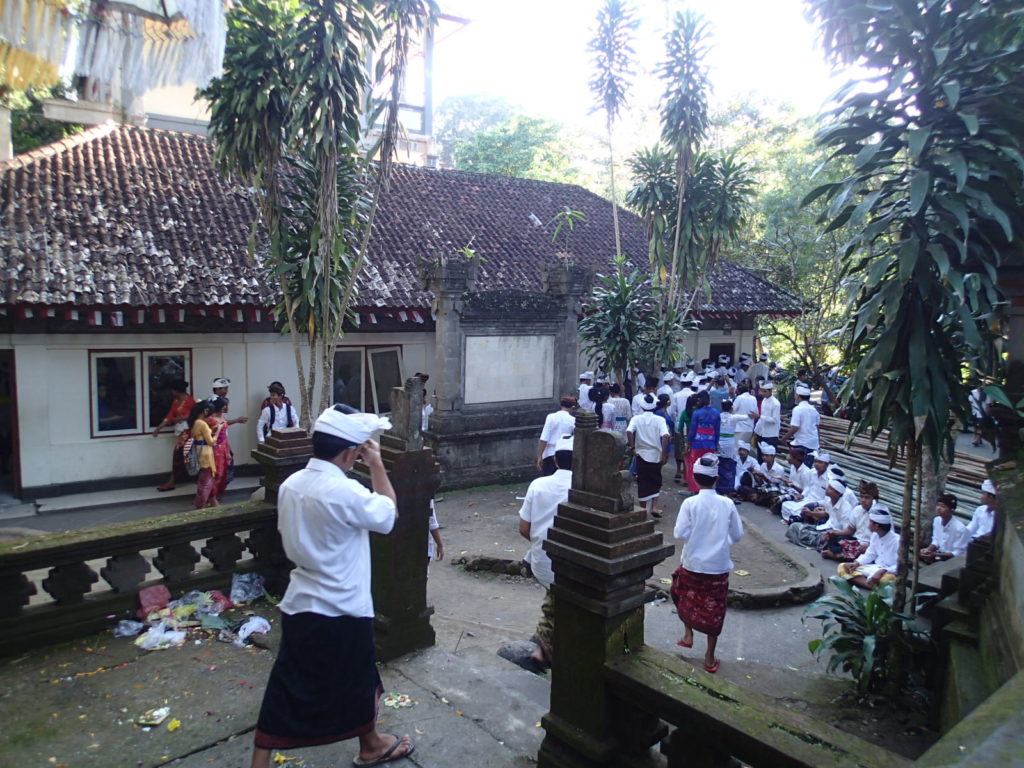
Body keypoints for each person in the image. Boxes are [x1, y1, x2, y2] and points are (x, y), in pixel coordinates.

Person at [251, 406, 412, 768]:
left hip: (301, 600)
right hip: (342, 604)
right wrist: (377, 465)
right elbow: (388, 514)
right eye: (356, 452)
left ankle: (261, 760)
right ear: (347, 453)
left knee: (287, 685)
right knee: (356, 681)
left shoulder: (292, 485)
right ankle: (370, 744)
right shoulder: (345, 491)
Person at [671, 454, 744, 674]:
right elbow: (737, 535)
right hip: (717, 566)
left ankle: (688, 633)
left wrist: (698, 537)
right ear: (716, 478)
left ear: (693, 477)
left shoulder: (690, 503)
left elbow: (679, 533)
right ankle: (709, 657)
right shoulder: (727, 503)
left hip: (693, 563)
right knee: (715, 611)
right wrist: (720, 542)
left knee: (679, 593)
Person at [518, 433, 574, 670]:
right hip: (572, 564)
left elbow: (524, 529)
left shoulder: (538, 485)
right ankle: (546, 648)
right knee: (559, 603)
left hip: (541, 559)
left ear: (557, 461)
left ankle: (545, 645)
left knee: (555, 600)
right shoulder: (584, 490)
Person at [627, 394, 670, 519]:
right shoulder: (659, 420)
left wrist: (632, 447)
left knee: (643, 481)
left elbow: (629, 431)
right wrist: (663, 453)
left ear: (641, 406)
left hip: (641, 454)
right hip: (656, 455)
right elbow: (665, 436)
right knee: (656, 481)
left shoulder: (636, 418)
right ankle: (655, 507)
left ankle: (642, 508)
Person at [838, 508, 900, 589]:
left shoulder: (898, 541)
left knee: (886, 580)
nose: (868, 524)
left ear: (876, 526)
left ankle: (862, 581)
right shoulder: (875, 535)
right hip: (875, 567)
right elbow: (870, 554)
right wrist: (857, 563)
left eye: (870, 522)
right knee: (843, 567)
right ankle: (870, 585)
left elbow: (900, 566)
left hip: (888, 572)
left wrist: (883, 571)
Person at [153, 379, 196, 492]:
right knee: (183, 457)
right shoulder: (176, 401)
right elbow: (170, 416)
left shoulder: (191, 401)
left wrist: (182, 418)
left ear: (175, 391)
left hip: (188, 432)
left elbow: (195, 416)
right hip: (181, 432)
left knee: (179, 457)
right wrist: (159, 428)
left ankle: (172, 482)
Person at [785, 478, 851, 549]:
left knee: (804, 533)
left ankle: (819, 543)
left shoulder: (846, 508)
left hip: (833, 534)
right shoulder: (829, 500)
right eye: (828, 487)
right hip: (823, 528)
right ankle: (818, 542)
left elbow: (847, 531)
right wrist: (811, 513)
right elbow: (827, 514)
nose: (827, 489)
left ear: (838, 493)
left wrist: (834, 533)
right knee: (794, 526)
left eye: (830, 488)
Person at [821, 480, 878, 562]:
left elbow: (883, 538)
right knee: (833, 538)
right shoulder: (858, 509)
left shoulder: (880, 514)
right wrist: (836, 533)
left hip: (869, 545)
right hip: (855, 541)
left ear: (874, 499)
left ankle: (836, 555)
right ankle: (840, 554)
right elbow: (850, 530)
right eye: (861, 497)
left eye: (867, 498)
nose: (863, 500)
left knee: (861, 551)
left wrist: (869, 545)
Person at [190, 398, 224, 509]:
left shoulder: (196, 423)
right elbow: (211, 441)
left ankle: (199, 502)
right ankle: (200, 504)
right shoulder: (203, 424)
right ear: (205, 411)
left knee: (203, 480)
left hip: (200, 451)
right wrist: (218, 429)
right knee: (206, 482)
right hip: (206, 453)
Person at [780, 451, 832, 522]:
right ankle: (794, 518)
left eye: (820, 462)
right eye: (815, 461)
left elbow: (828, 499)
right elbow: (808, 486)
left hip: (818, 503)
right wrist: (802, 495)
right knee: (786, 504)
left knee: (803, 509)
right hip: (807, 499)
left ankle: (795, 519)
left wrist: (817, 503)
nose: (816, 464)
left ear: (827, 464)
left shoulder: (829, 479)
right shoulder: (812, 472)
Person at [919, 494, 970, 564]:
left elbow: (957, 553)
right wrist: (927, 550)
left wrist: (935, 555)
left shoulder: (960, 528)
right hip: (939, 555)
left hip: (953, 561)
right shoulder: (937, 520)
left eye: (943, 506)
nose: (938, 508)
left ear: (951, 510)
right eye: (938, 505)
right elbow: (936, 540)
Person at [686, 391, 720, 493]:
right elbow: (717, 431)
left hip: (698, 443)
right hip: (711, 442)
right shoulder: (716, 413)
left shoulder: (697, 413)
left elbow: (693, 430)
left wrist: (689, 442)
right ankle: (708, 487)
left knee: (695, 464)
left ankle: (695, 488)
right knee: (709, 465)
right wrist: (716, 442)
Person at [537, 397, 576, 475]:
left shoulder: (551, 417)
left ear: (561, 406)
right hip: (564, 453)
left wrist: (540, 456)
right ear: (572, 407)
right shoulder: (573, 420)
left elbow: (544, 438)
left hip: (548, 453)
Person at [783, 385, 820, 464]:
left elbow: (795, 427)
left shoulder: (797, 409)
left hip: (802, 443)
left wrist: (784, 438)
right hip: (813, 443)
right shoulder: (814, 410)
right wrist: (818, 442)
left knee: (799, 465)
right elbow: (817, 427)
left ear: (798, 396)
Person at [753, 380, 780, 458]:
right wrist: (756, 430)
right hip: (761, 433)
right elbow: (762, 417)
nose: (761, 394)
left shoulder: (775, 403)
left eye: (763, 392)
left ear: (769, 391)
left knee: (769, 457)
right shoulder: (764, 400)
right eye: (761, 391)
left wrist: (759, 417)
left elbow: (774, 420)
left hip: (771, 434)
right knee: (760, 456)